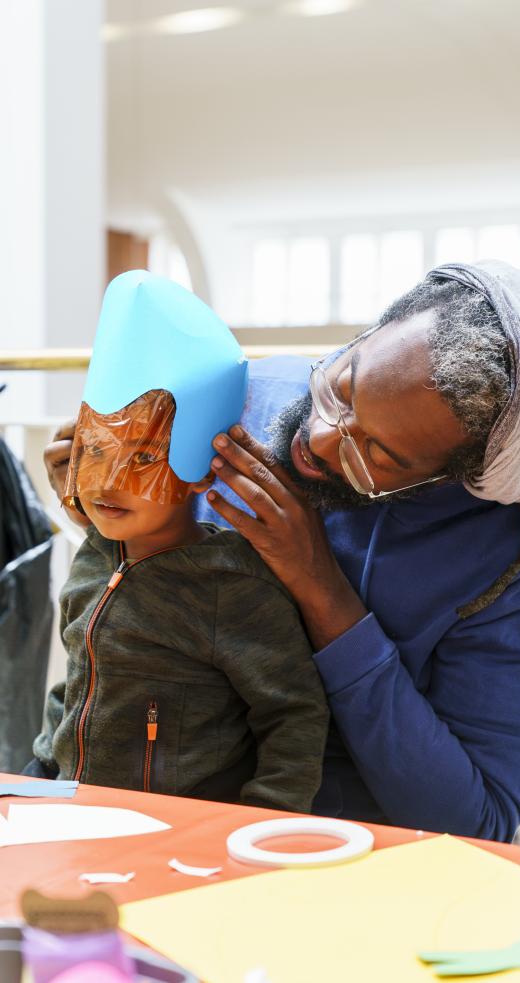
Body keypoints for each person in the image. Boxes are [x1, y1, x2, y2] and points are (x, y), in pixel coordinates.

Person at [46, 261, 520, 841]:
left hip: (348, 867)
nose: (317, 437)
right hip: (147, 824)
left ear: (458, 478)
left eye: (380, 454)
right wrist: (107, 514)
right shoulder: (248, 399)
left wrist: (322, 589)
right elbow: (151, 614)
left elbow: (477, 821)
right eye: (345, 383)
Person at [28, 271, 328, 812]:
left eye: (142, 457)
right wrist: (44, 770)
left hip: (178, 833)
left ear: (199, 471)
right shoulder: (95, 558)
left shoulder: (230, 585)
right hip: (75, 816)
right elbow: (79, 678)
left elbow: (293, 714)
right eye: (96, 450)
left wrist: (264, 818)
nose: (109, 480)